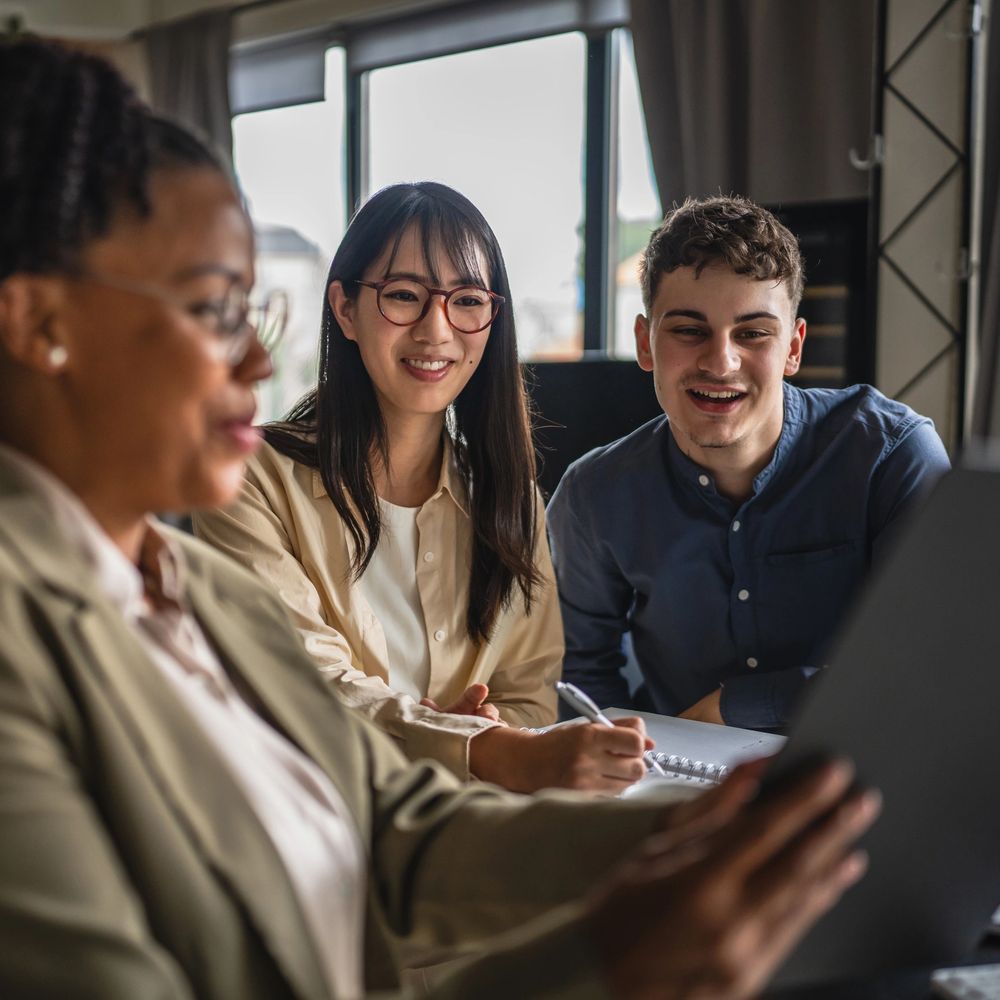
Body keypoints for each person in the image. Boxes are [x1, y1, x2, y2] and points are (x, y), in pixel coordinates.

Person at [0, 37, 881, 999]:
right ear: (40, 327)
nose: (255, 366)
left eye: (467, 302)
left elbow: (398, 828)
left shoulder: (188, 586)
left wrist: (702, 837)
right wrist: (605, 960)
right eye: (215, 311)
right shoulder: (29, 633)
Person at [194, 182, 649, 794]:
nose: (437, 330)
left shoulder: (509, 498)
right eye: (404, 295)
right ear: (345, 308)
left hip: (467, 826)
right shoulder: (250, 480)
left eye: (466, 300)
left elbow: (529, 696)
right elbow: (299, 686)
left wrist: (488, 732)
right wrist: (474, 748)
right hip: (308, 821)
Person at [548, 195, 951, 731]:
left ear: (793, 347)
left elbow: (932, 658)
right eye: (689, 331)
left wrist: (734, 707)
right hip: (676, 784)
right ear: (646, 343)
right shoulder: (591, 495)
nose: (721, 362)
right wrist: (620, 755)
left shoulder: (891, 456)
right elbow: (579, 675)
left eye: (753, 333)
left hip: (865, 769)